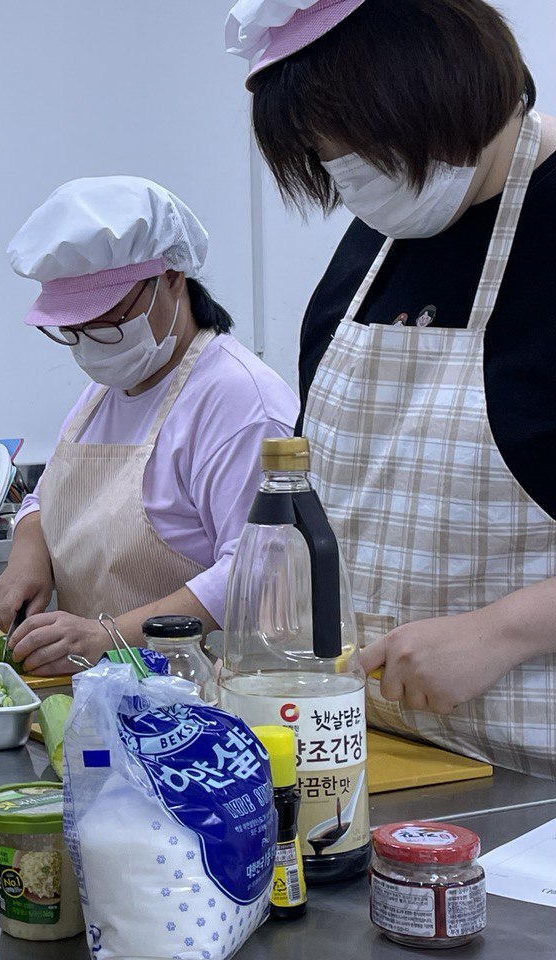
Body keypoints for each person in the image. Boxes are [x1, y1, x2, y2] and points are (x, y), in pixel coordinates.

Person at [228, 0, 556, 775]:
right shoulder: (376, 246)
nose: (354, 186)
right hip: (378, 756)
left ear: (450, 92)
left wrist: (504, 629)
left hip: (536, 783)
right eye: (329, 160)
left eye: (365, 152)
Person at [0, 177, 298, 675]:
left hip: (200, 699)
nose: (89, 343)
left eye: (107, 319)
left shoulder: (240, 401)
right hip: (107, 689)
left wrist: (110, 636)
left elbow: (258, 571)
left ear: (172, 277)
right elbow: (46, 497)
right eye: (72, 330)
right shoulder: (106, 392)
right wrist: (28, 554)